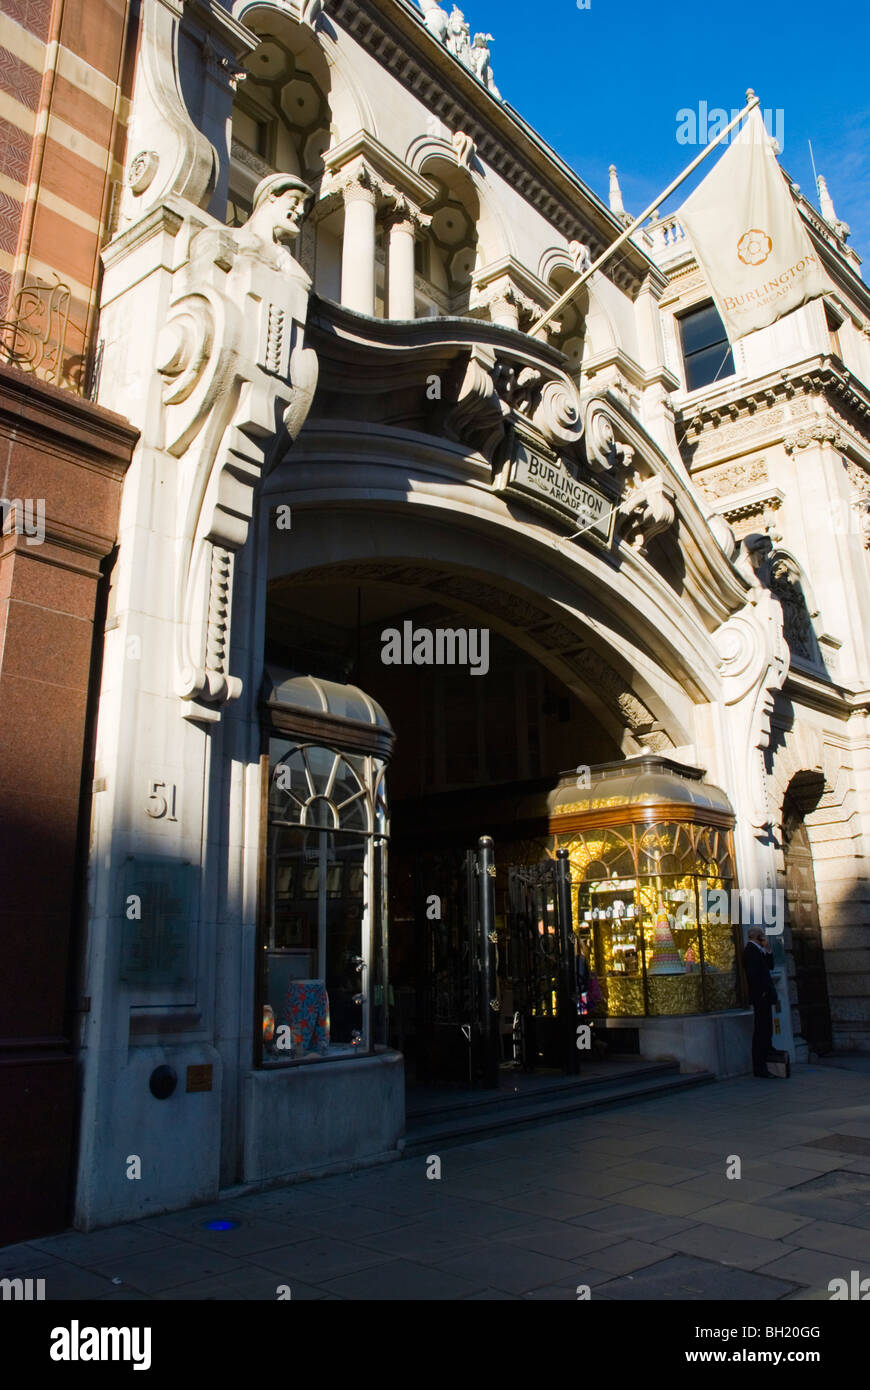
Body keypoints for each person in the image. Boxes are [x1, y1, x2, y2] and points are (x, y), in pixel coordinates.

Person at [743, 926, 778, 1078]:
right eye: (762, 935)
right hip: (761, 997)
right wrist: (762, 992)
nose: (764, 937)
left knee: (767, 1029)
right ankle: (760, 1066)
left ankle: (768, 1060)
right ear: (758, 937)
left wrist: (768, 950)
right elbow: (753, 975)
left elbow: (770, 966)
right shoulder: (750, 951)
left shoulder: (759, 950)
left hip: (765, 996)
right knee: (761, 1031)